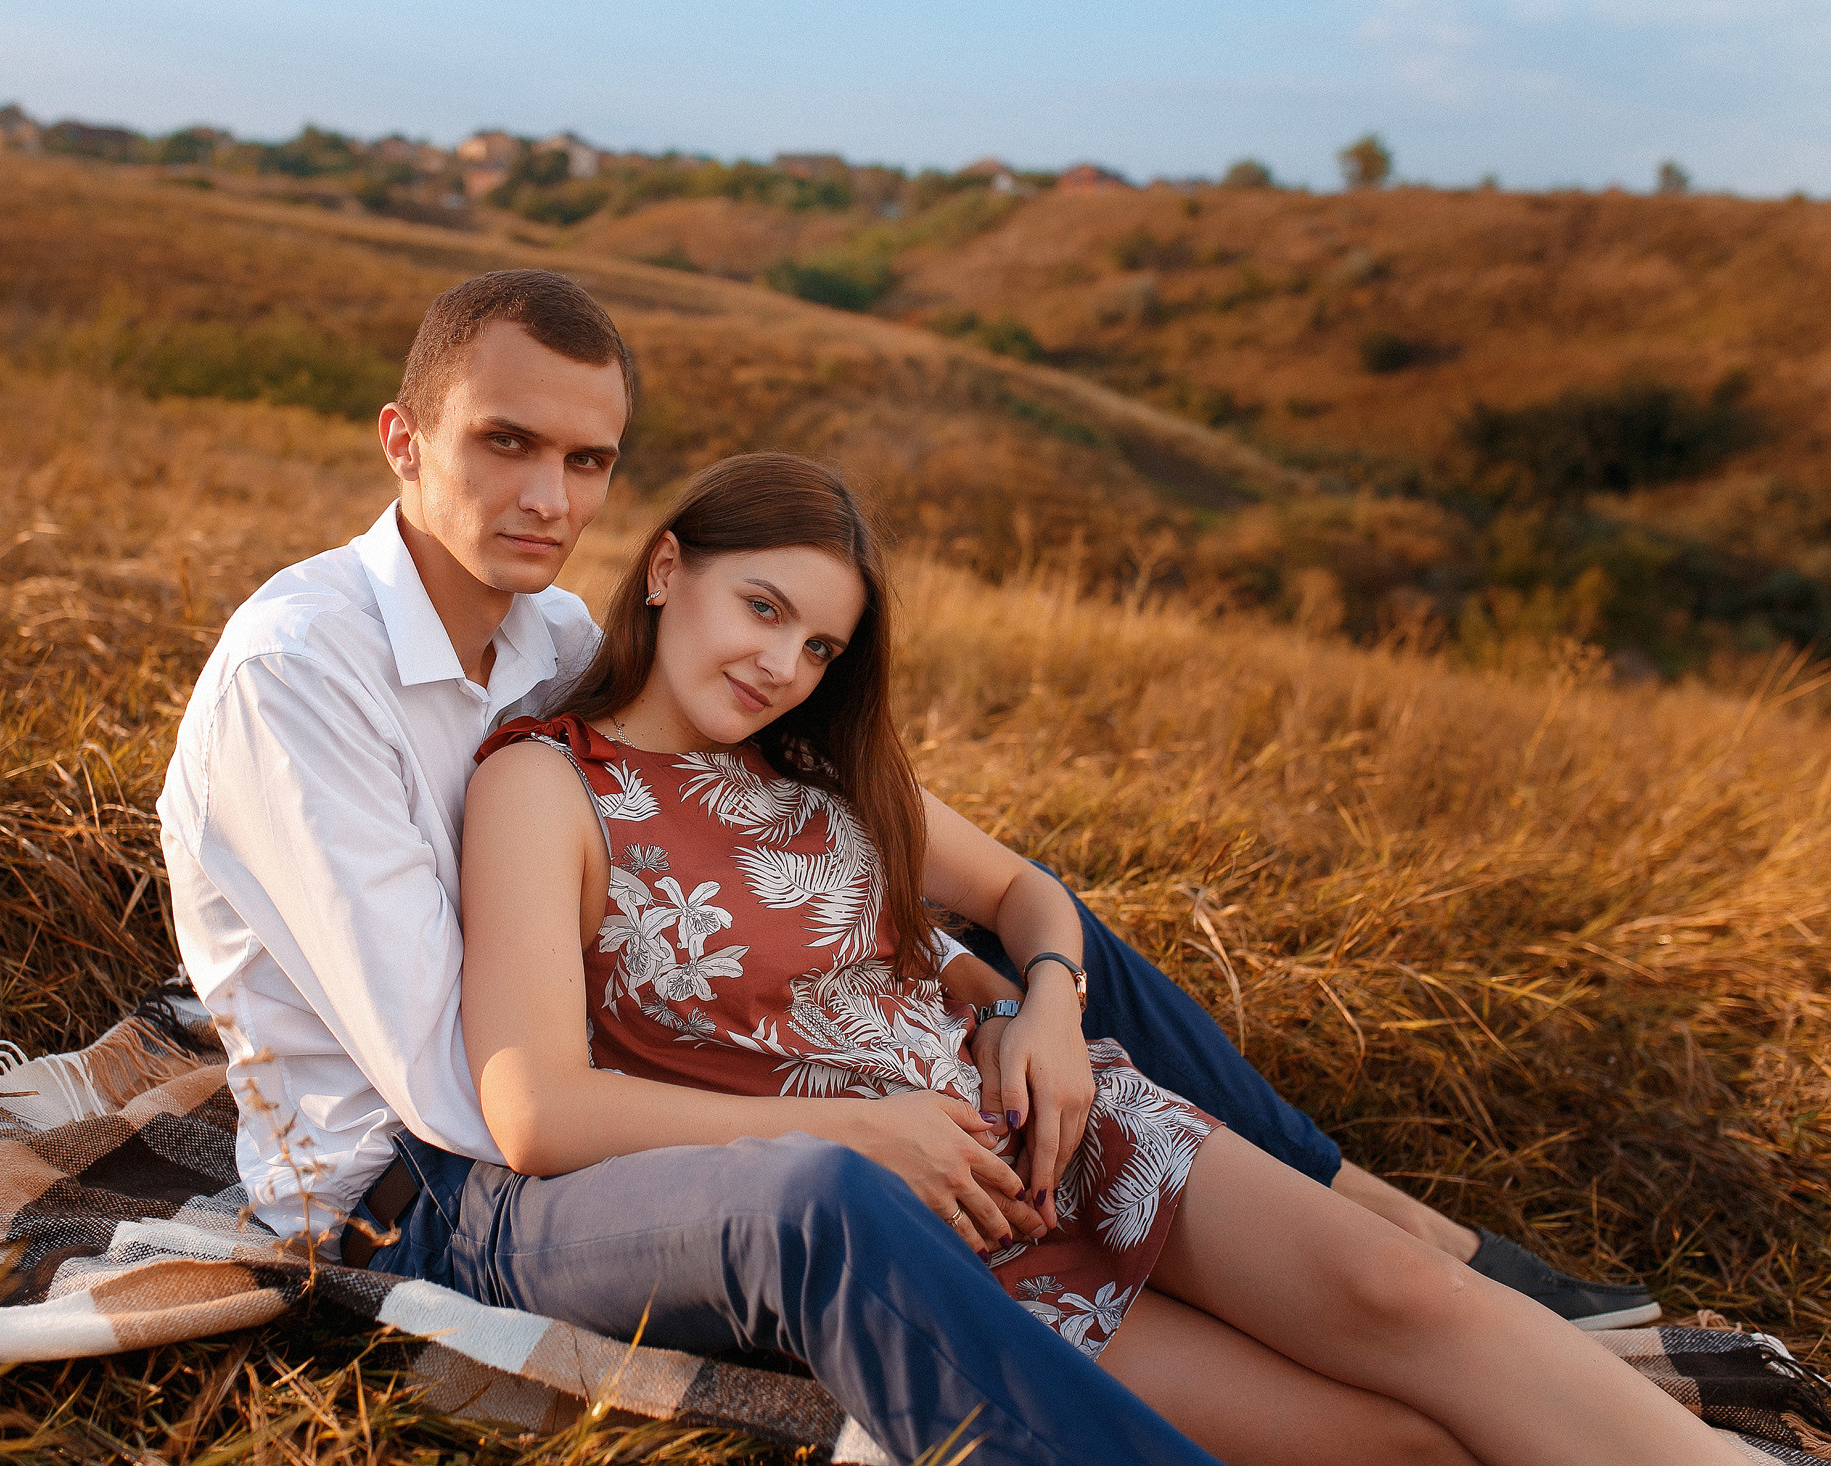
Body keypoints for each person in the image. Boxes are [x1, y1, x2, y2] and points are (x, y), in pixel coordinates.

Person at [154, 269, 1649, 1464]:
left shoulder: (547, 632)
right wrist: (849, 1082)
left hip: (752, 1078)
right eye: (507, 442)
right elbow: (478, 1093)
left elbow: (749, 840)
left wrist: (982, 987)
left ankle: (1400, 1232)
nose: (550, 494)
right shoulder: (309, 677)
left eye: (587, 458)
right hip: (425, 1177)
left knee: (1063, 946)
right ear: (405, 440)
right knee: (833, 1190)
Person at [456, 452, 1741, 1466]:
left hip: (1065, 1119)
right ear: (669, 566)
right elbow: (535, 1109)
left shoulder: (822, 761)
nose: (782, 666)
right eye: (764, 607)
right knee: (1397, 1442)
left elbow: (1022, 891)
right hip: (937, 1232)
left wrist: (1050, 1008)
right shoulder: (549, 784)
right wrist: (858, 1134)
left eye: (819, 646)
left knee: (1404, 1296)